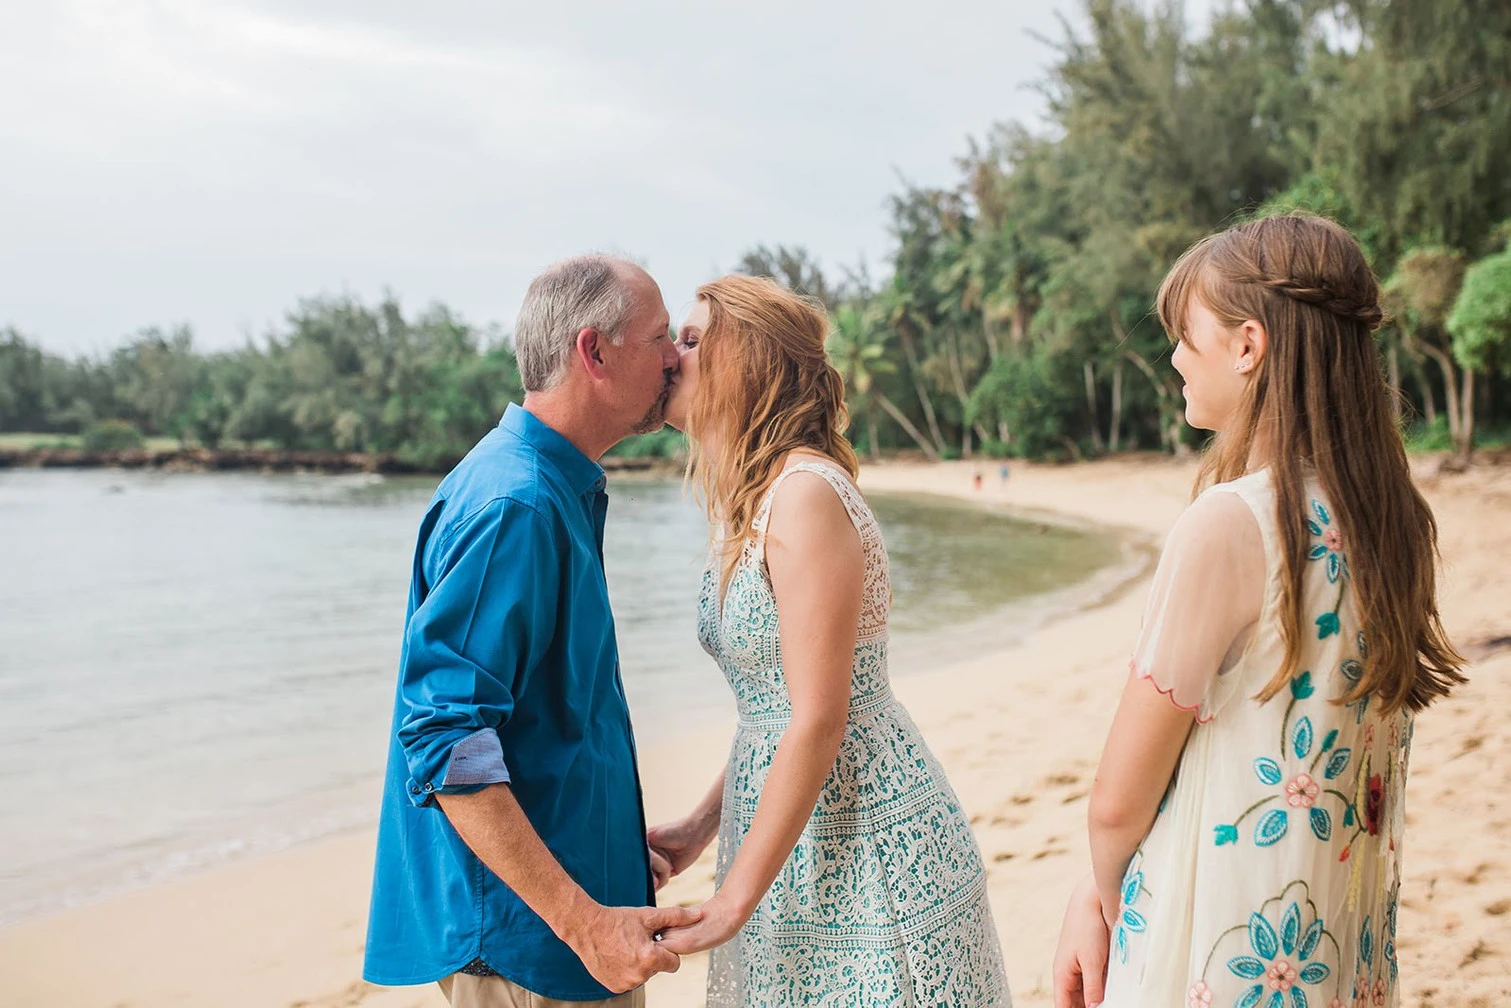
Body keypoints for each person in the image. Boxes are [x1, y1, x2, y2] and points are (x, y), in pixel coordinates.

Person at [1052, 215, 1466, 1008]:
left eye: (1186, 332)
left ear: (1247, 345)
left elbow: (1117, 798)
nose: (1174, 355)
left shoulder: (1232, 522)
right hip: (1336, 945)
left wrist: (1097, 896)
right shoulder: (1393, 520)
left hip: (1221, 942)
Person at [646, 274, 1010, 1006]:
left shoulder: (803, 494)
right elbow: (773, 710)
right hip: (792, 835)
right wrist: (698, 828)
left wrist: (731, 903)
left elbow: (817, 717)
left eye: (689, 341)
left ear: (742, 363)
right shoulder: (755, 499)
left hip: (864, 842)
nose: (668, 359)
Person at [363, 255, 701, 1008]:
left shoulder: (549, 487)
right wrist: (583, 922)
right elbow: (446, 737)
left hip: (559, 922)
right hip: (529, 943)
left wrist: (605, 841)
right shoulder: (517, 503)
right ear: (595, 352)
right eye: (659, 338)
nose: (677, 358)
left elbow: (543, 720)